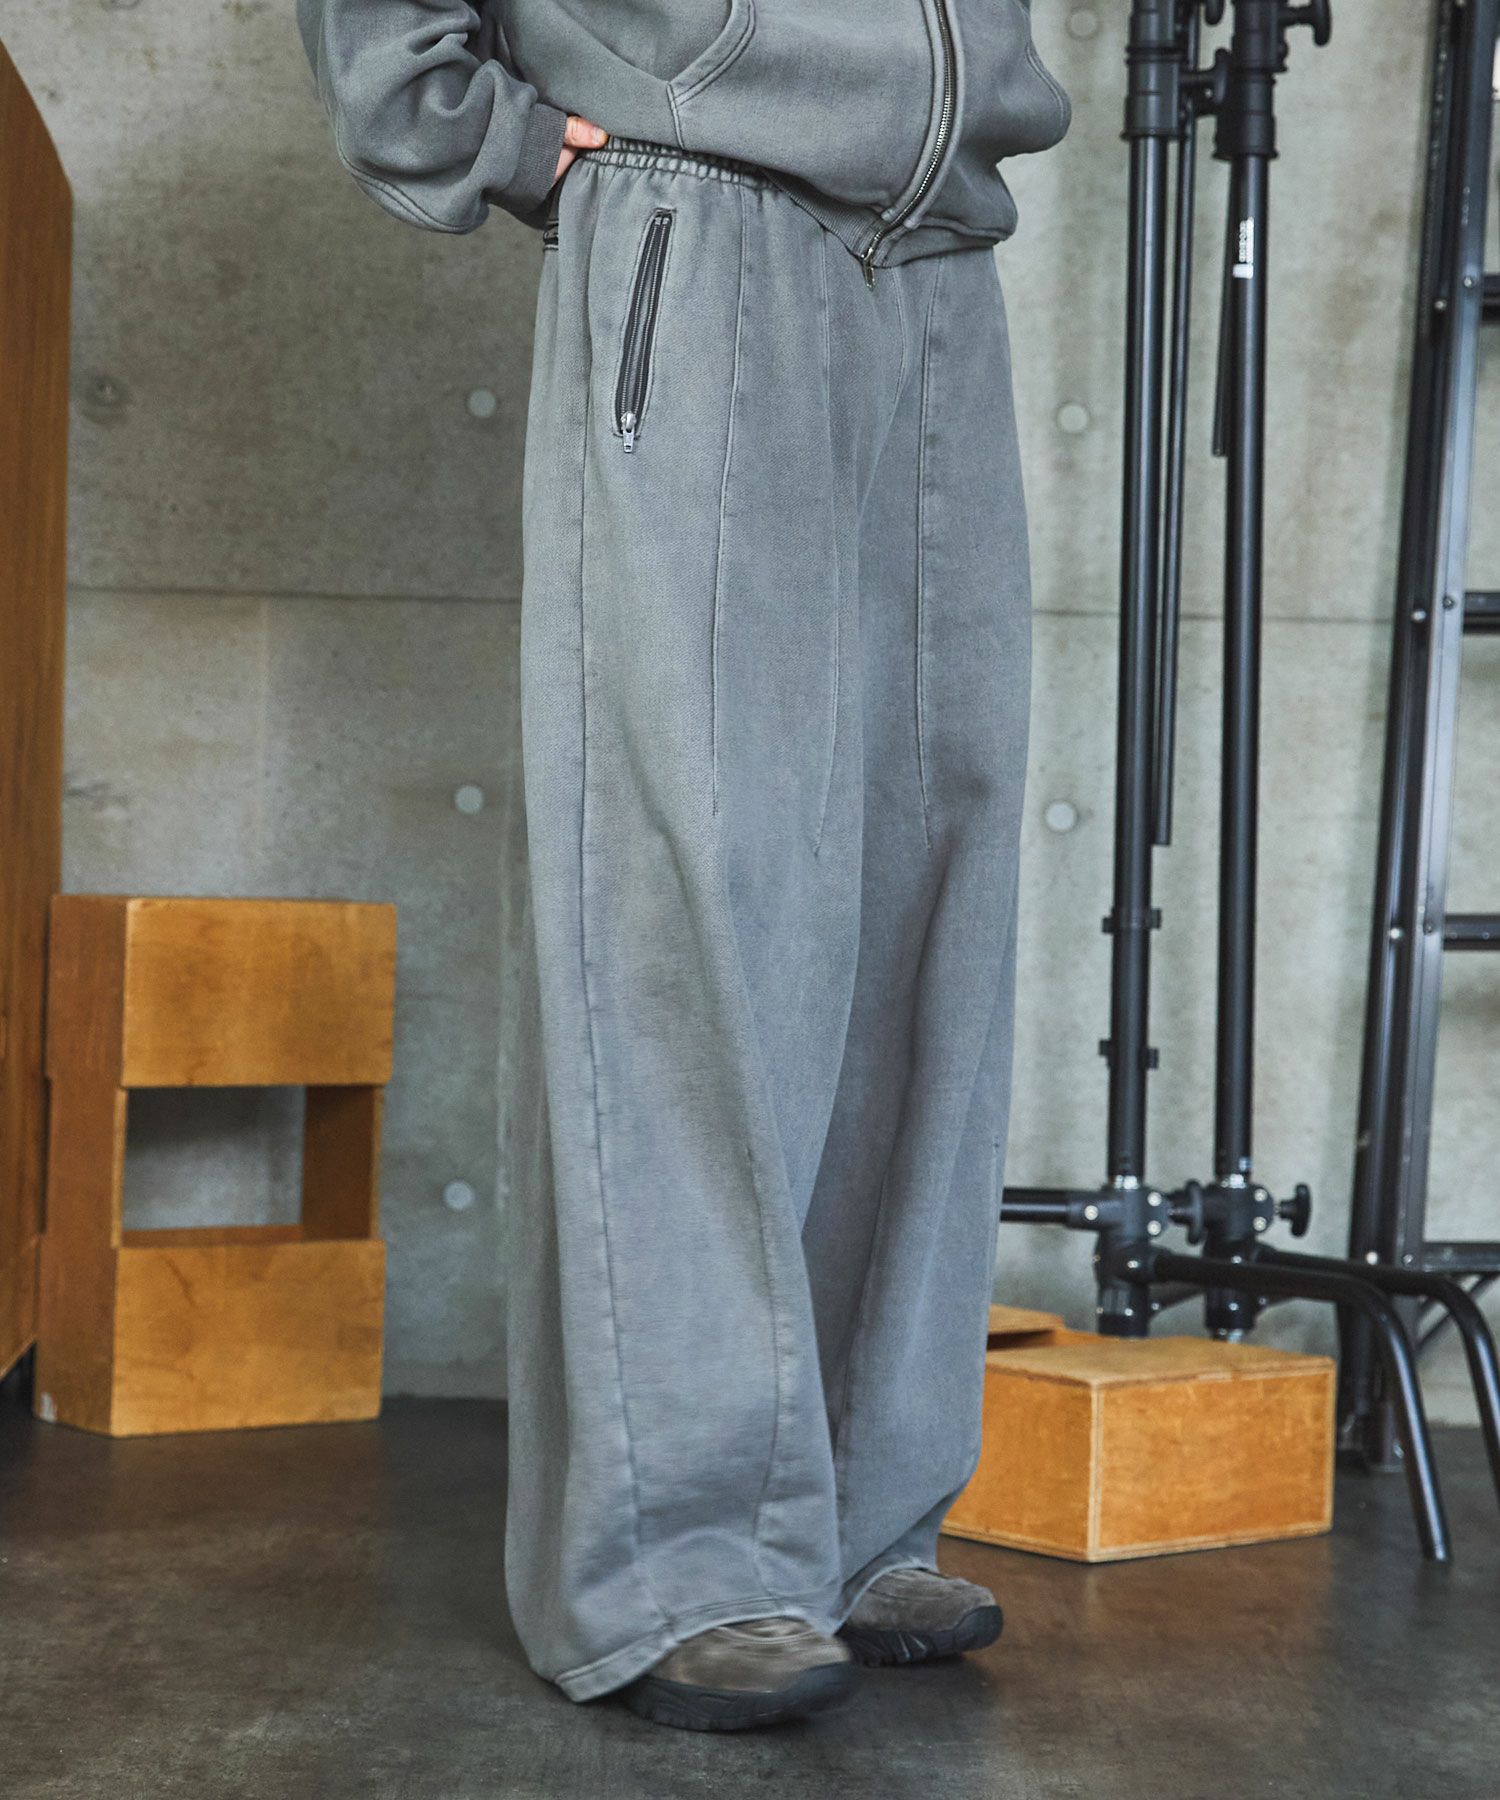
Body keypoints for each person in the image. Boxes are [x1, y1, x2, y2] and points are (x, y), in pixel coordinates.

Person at [296, 0, 1070, 1734]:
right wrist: (480, 129)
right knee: (692, 902)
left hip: (937, 259)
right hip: (700, 214)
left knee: (918, 899)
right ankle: (682, 1560)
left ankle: (857, 1520)